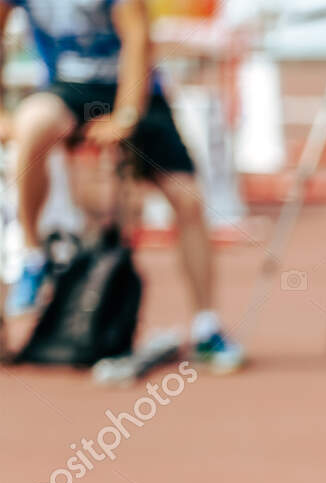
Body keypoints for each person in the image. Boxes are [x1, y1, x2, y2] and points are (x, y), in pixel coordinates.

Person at [0, 0, 244, 370]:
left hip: (139, 91)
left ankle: (207, 326)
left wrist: (126, 116)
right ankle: (33, 257)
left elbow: (137, 38)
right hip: (69, 90)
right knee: (31, 126)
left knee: (187, 199)